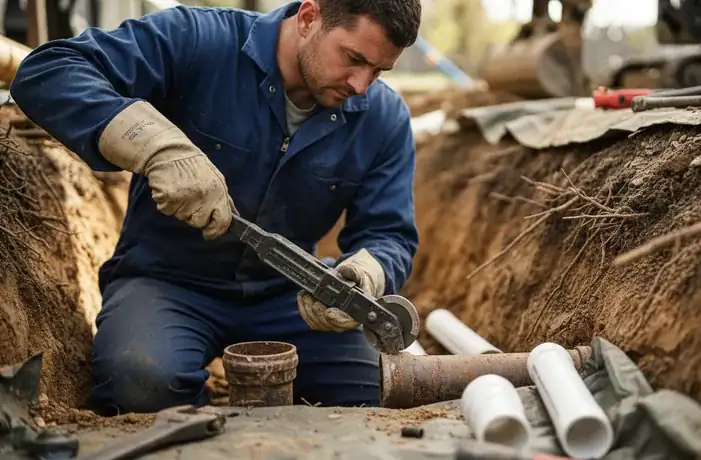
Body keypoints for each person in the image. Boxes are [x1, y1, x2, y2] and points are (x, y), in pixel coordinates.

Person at [9, 0, 421, 414]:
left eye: (378, 71)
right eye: (353, 59)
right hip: (166, 282)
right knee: (142, 384)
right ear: (309, 18)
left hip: (292, 299)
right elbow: (49, 71)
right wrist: (153, 146)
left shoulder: (384, 119)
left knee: (381, 392)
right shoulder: (197, 40)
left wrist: (368, 274)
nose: (361, 85)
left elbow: (389, 234)